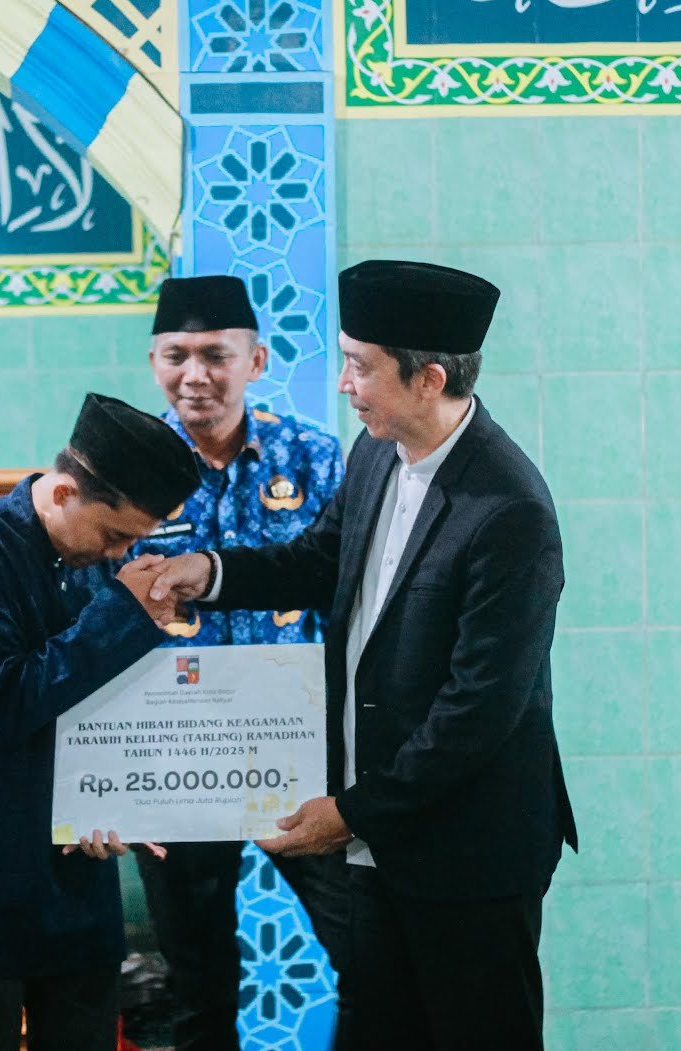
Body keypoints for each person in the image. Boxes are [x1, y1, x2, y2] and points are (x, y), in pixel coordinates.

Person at [149, 259, 577, 1049]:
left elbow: (477, 711)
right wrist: (208, 572)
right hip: (378, 839)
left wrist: (346, 813)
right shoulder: (378, 451)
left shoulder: (508, 510)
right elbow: (320, 559)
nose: (345, 384)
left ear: (429, 379)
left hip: (465, 852)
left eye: (359, 366)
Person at [0, 392, 200, 1051]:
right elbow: (9, 702)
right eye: (115, 535)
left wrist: (120, 799)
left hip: (77, 876)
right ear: (64, 492)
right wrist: (123, 613)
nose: (121, 552)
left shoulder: (92, 561)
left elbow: (107, 709)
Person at [133, 274, 352, 1050]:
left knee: (368, 951)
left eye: (216, 355)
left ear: (255, 361)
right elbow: (93, 616)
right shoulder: (127, 466)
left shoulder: (315, 456)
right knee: (196, 987)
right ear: (154, 361)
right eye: (177, 355)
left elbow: (347, 597)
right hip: (176, 758)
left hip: (297, 754)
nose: (195, 374)